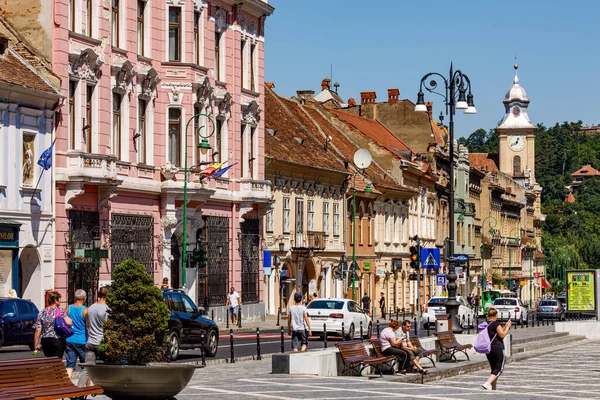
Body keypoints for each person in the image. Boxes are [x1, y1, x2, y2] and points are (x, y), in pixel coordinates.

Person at [33, 291, 72, 358]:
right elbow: (69, 322)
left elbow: (38, 329)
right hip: (57, 339)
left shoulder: (42, 312)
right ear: (55, 300)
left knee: (49, 360)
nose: (60, 302)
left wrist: (36, 344)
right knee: (57, 362)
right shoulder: (60, 311)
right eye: (59, 300)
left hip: (45, 340)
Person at [482, 307, 511, 390]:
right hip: (497, 348)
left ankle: (493, 387)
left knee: (493, 369)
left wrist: (505, 327)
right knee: (499, 369)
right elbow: (502, 335)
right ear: (495, 315)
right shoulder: (496, 324)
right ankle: (487, 383)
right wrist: (508, 327)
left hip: (488, 349)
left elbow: (496, 333)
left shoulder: (485, 324)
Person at [65, 289, 88, 379]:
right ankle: (85, 386)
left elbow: (63, 320)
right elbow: (88, 327)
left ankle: (68, 386)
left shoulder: (68, 308)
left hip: (70, 339)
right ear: (84, 298)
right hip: (82, 340)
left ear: (75, 297)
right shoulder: (85, 310)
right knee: (87, 366)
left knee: (70, 365)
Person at [86, 286, 109, 365]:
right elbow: (108, 327)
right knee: (107, 368)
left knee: (88, 370)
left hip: (90, 343)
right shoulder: (107, 308)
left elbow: (87, 326)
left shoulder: (91, 307)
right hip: (101, 342)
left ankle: (86, 378)